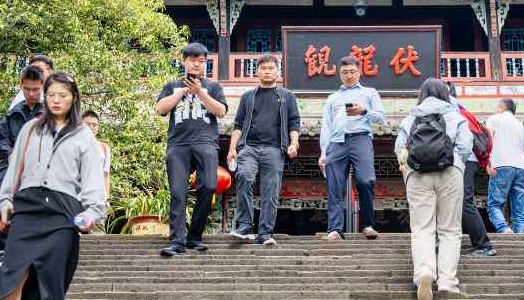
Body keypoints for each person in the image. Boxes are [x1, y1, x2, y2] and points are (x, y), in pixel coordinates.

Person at [0, 71, 105, 299]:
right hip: (26, 208)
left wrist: (92, 212)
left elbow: (93, 179)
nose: (56, 100)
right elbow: (14, 172)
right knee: (11, 277)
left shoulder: (84, 136)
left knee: (49, 283)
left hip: (62, 211)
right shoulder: (30, 128)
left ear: (74, 97)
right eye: (50, 94)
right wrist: (4, 203)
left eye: (62, 95)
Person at [395, 78, 472, 299]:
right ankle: (447, 281)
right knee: (450, 229)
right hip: (450, 172)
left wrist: (409, 172)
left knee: (422, 228)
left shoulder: (410, 119)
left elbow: (400, 150)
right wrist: (455, 163)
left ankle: (424, 272)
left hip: (418, 174)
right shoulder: (456, 117)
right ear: (444, 94)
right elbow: (466, 146)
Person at [156, 43, 227, 257]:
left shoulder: (213, 87)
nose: (196, 64)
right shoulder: (171, 86)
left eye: (201, 61)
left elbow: (221, 112)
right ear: (184, 60)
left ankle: (194, 236)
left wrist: (199, 92)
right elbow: (161, 109)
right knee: (178, 192)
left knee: (209, 186)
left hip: (206, 142)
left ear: (206, 63)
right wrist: (186, 90)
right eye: (192, 60)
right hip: (178, 144)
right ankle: (177, 241)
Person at [227, 54, 301, 246]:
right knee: (244, 177)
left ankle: (266, 232)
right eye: (263, 68)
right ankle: (244, 226)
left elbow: (294, 122)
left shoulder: (286, 96)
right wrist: (233, 148)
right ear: (257, 71)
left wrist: (294, 143)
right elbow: (238, 124)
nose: (267, 71)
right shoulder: (248, 97)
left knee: (270, 190)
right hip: (249, 147)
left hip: (275, 149)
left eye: (271, 68)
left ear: (278, 71)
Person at [0, 65, 45, 275]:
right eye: (27, 89)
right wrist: (9, 153)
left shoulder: (50, 113)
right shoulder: (12, 114)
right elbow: (2, 142)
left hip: (41, 166)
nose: (31, 93)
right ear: (21, 87)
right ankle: (2, 251)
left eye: (35, 89)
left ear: (43, 87)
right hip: (12, 165)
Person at [319, 56, 386, 240]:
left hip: (361, 139)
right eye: (344, 72)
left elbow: (381, 118)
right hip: (336, 142)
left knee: (366, 181)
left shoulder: (370, 93)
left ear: (359, 72)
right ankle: (335, 230)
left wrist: (363, 111)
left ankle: (367, 225)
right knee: (334, 186)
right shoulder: (333, 98)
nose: (349, 76)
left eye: (352, 72)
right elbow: (327, 126)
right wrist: (323, 152)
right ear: (340, 74)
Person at [445, 81, 496, 257]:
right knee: (457, 200)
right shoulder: (461, 108)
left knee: (463, 201)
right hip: (470, 160)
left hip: (464, 160)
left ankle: (483, 245)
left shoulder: (450, 106)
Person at [484, 98, 524, 233]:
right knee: (520, 211)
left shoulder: (494, 119)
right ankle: (520, 240)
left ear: (501, 108)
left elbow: (489, 138)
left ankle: (504, 228)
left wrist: (488, 161)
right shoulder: (520, 125)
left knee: (494, 205)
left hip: (501, 165)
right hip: (521, 169)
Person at [82, 110, 112, 235]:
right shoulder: (71, 144)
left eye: (94, 125)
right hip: (76, 195)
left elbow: (106, 175)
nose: (91, 127)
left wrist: (107, 199)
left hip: (97, 195)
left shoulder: (104, 148)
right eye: (87, 124)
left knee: (98, 234)